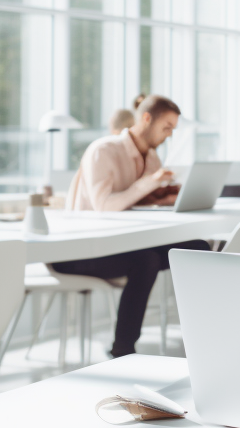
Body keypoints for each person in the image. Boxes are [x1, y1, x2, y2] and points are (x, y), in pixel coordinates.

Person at [57, 96, 210, 357]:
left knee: (198, 248)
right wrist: (150, 183)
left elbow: (141, 201)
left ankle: (207, 334)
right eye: (167, 127)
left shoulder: (151, 158)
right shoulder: (103, 150)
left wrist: (170, 196)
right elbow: (104, 205)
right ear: (146, 119)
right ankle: (122, 350)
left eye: (173, 129)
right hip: (80, 250)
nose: (170, 135)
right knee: (146, 260)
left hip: (124, 244)